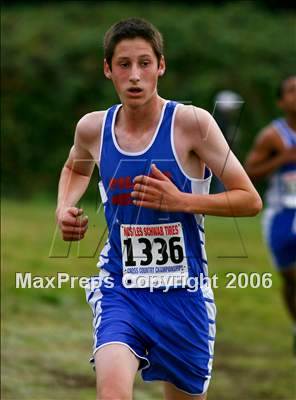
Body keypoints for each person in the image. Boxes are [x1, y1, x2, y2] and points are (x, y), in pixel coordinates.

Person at [56, 18, 262, 400]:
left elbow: (249, 199)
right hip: (121, 287)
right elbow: (74, 166)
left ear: (160, 66)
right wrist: (64, 208)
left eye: (144, 63)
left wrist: (182, 201)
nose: (134, 76)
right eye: (123, 64)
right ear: (108, 69)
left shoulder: (192, 124)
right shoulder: (92, 129)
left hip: (183, 295)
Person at [245, 75, 296, 354]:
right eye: (291, 91)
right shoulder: (273, 135)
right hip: (281, 213)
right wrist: (281, 160)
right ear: (281, 101)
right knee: (290, 277)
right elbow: (248, 171)